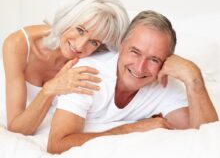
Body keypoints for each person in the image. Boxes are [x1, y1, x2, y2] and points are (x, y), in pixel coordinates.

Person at [47, 10, 218, 154]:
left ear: (166, 61)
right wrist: (133, 129)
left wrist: (193, 78)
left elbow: (207, 136)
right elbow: (57, 144)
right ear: (121, 46)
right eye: (135, 52)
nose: (140, 68)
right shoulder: (87, 74)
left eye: (154, 59)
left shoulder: (164, 82)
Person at [2, 0, 130, 135]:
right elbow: (17, 129)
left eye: (94, 42)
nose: (80, 46)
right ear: (68, 19)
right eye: (80, 30)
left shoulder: (96, 55)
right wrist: (49, 89)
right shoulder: (17, 44)